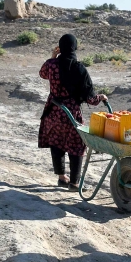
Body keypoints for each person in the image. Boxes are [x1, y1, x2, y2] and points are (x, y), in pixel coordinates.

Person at [38, 34, 107, 188]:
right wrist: (101, 97)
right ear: (74, 47)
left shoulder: (52, 64)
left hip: (53, 110)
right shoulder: (79, 68)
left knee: (56, 142)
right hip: (71, 114)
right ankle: (74, 183)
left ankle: (62, 177)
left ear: (60, 47)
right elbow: (91, 99)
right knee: (77, 145)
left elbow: (42, 74)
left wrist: (53, 56)